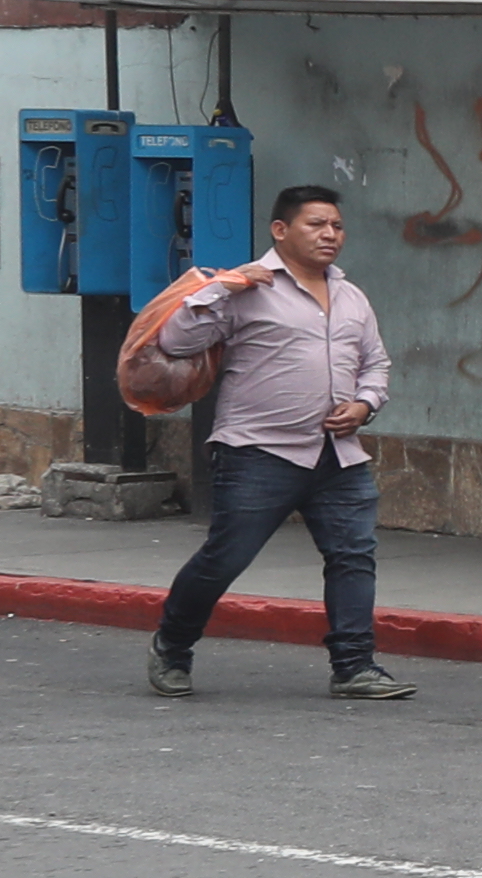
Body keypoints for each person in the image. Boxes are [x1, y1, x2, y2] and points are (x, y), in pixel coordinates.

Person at [142, 182, 412, 703]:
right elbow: (175, 341)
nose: (330, 234)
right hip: (259, 452)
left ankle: (354, 666)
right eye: (317, 224)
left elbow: (376, 362)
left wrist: (364, 404)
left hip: (338, 457)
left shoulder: (352, 296)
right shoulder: (247, 288)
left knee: (353, 556)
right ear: (281, 230)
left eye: (336, 225)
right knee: (226, 557)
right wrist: (225, 286)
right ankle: (173, 645)